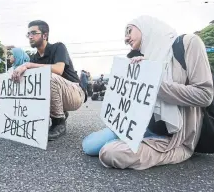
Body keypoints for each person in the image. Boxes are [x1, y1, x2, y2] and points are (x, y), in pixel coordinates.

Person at [82, 15, 213, 170]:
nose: (126, 38)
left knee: (109, 152)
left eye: (129, 30)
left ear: (146, 26)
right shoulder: (146, 58)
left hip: (171, 138)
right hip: (140, 127)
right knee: (89, 146)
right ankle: (122, 138)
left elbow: (205, 95)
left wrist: (154, 82)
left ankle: (126, 143)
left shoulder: (188, 43)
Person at [11, 20, 87, 140]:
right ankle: (57, 112)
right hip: (58, 94)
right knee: (29, 82)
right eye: (28, 34)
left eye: (34, 33)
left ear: (45, 35)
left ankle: (59, 122)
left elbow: (58, 69)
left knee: (47, 76)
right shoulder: (34, 58)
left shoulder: (58, 47)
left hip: (75, 93)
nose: (30, 37)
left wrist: (29, 65)